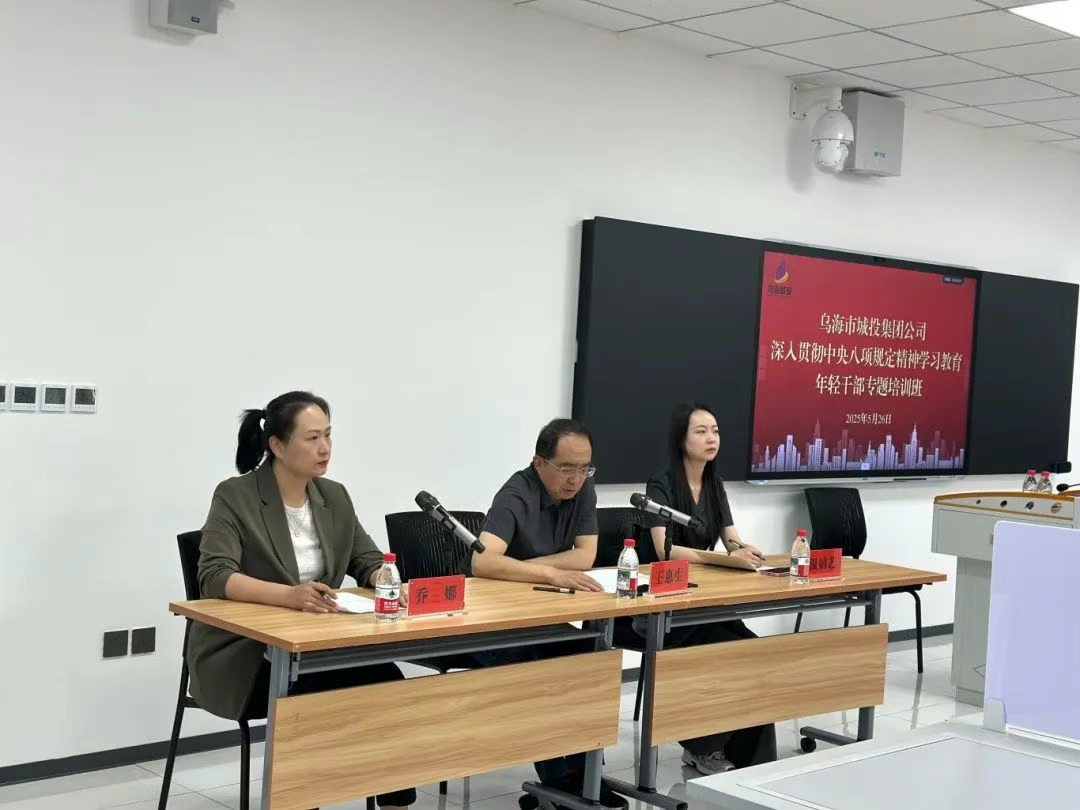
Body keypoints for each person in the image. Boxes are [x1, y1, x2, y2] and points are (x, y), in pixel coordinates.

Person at [186, 391, 416, 809]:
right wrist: (289, 596)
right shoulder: (236, 496)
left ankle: (395, 803)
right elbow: (214, 575)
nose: (324, 447)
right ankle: (299, 800)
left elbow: (365, 558)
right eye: (312, 438)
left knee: (389, 684)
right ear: (277, 445)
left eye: (328, 435)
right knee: (313, 694)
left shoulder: (334, 496)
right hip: (247, 654)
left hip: (318, 645)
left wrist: (385, 580)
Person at [471, 418, 626, 810]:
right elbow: (483, 562)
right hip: (492, 620)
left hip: (540, 615)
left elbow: (586, 555)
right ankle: (558, 782)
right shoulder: (517, 492)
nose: (576, 479)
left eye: (584, 468)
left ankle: (586, 773)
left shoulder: (583, 488)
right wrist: (550, 573)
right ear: (539, 462)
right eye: (566, 468)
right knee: (539, 668)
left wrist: (526, 568)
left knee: (586, 656)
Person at [642, 402, 777, 776]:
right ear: (681, 439)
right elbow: (664, 549)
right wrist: (720, 557)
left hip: (703, 595)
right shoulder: (661, 484)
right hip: (665, 600)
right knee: (721, 652)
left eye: (715, 430)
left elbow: (730, 538)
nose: (711, 438)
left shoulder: (715, 484)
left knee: (753, 650)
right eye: (701, 431)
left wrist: (743, 550)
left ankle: (751, 757)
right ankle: (704, 747)